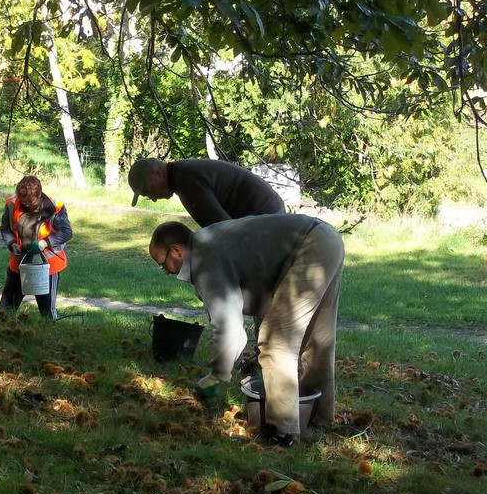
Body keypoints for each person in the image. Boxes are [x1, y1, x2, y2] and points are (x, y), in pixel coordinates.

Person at [148, 214, 344, 446]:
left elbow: (231, 331)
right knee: (317, 338)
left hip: (309, 247)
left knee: (274, 342)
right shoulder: (207, 242)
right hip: (326, 239)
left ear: (177, 251)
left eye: (163, 264)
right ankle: (319, 418)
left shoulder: (205, 261)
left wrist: (216, 375)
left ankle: (282, 433)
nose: (166, 272)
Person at [128, 158, 286, 227]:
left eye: (148, 191)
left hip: (266, 216)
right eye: (147, 197)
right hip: (267, 212)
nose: (153, 199)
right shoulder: (182, 172)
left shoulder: (185, 181)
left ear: (157, 173)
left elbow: (221, 228)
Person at [0, 175, 72, 319]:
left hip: (47, 267)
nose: (26, 205)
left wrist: (44, 243)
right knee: (5, 311)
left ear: (39, 195)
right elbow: (5, 228)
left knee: (47, 314)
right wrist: (12, 243)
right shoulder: (12, 204)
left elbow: (66, 232)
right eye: (23, 201)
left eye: (30, 202)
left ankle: (49, 336)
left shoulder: (55, 207)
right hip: (19, 264)